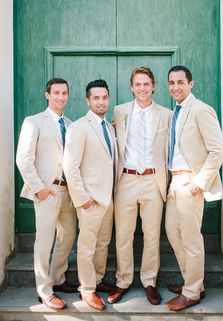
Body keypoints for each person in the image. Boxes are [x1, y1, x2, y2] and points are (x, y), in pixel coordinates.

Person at [108, 66, 172, 305]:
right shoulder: (119, 111)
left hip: (153, 180)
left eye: (146, 84)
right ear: (131, 87)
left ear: (153, 86)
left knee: (152, 235)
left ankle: (149, 281)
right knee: (123, 235)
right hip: (126, 179)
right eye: (138, 84)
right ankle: (123, 281)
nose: (142, 88)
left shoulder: (166, 114)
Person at [164, 65, 223, 311]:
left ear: (191, 84)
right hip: (173, 182)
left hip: (190, 181)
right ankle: (194, 282)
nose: (175, 87)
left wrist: (200, 182)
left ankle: (191, 292)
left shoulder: (201, 110)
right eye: (172, 82)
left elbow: (218, 150)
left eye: (180, 82)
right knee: (172, 232)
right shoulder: (176, 112)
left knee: (191, 239)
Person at [16, 78, 77, 310]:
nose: (61, 97)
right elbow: (23, 159)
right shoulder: (34, 122)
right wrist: (38, 188)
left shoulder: (71, 124)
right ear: (47, 95)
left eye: (65, 93)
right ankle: (44, 290)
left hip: (67, 191)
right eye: (56, 93)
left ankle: (58, 279)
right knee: (44, 241)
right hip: (47, 190)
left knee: (68, 236)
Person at [63, 79, 117, 311]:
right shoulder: (79, 127)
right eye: (96, 98)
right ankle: (86, 290)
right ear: (88, 100)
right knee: (87, 246)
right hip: (90, 199)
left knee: (103, 243)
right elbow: (70, 166)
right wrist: (82, 198)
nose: (101, 101)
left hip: (109, 198)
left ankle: (96, 279)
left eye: (104, 97)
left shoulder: (111, 127)